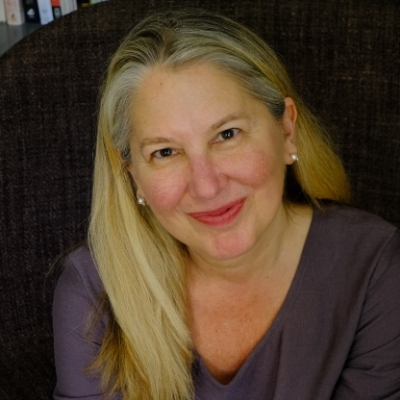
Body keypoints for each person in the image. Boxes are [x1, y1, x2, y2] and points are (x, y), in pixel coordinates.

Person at [52, 9, 400, 400]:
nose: (206, 185)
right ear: (132, 172)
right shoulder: (94, 291)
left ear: (286, 130)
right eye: (165, 152)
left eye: (227, 134)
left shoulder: (375, 268)